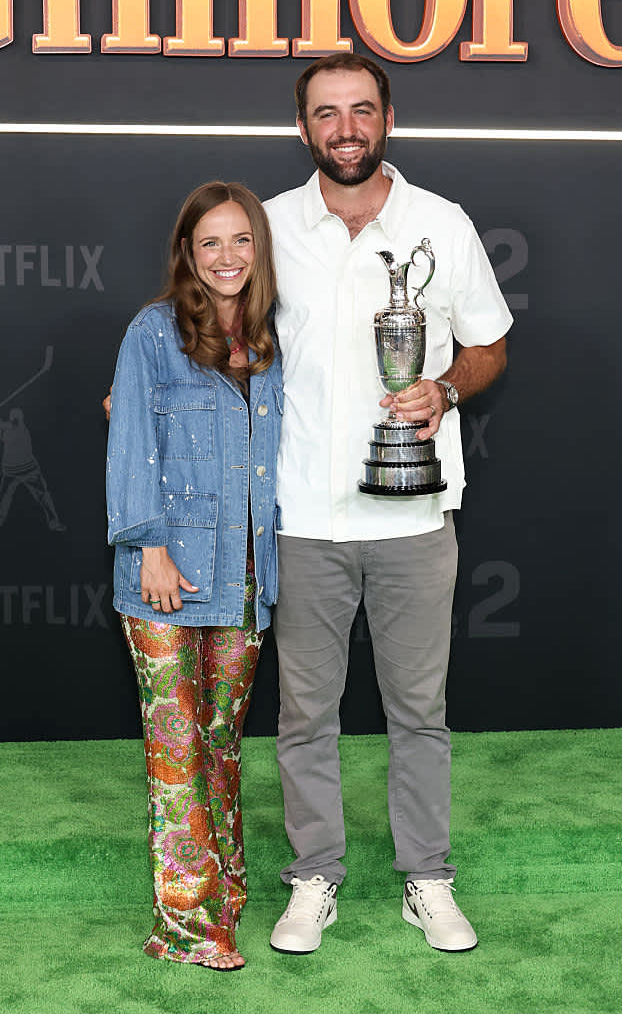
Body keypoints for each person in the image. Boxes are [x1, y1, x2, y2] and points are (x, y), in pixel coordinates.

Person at [264, 54, 511, 955]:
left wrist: (443, 388)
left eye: (360, 110)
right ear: (303, 129)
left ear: (387, 117)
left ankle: (427, 878)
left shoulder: (440, 223)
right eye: (326, 113)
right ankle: (313, 877)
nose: (344, 128)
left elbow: (488, 344)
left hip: (412, 517)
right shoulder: (267, 226)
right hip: (299, 517)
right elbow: (213, 336)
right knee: (304, 717)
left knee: (418, 713)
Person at [106, 182, 282, 970]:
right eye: (208, 242)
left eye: (239, 240)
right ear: (187, 253)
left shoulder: (277, 340)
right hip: (165, 577)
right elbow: (131, 437)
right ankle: (183, 925)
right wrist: (147, 544)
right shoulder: (152, 332)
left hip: (245, 576)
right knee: (175, 750)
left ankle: (227, 893)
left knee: (220, 744)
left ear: (259, 248)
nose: (225, 257)